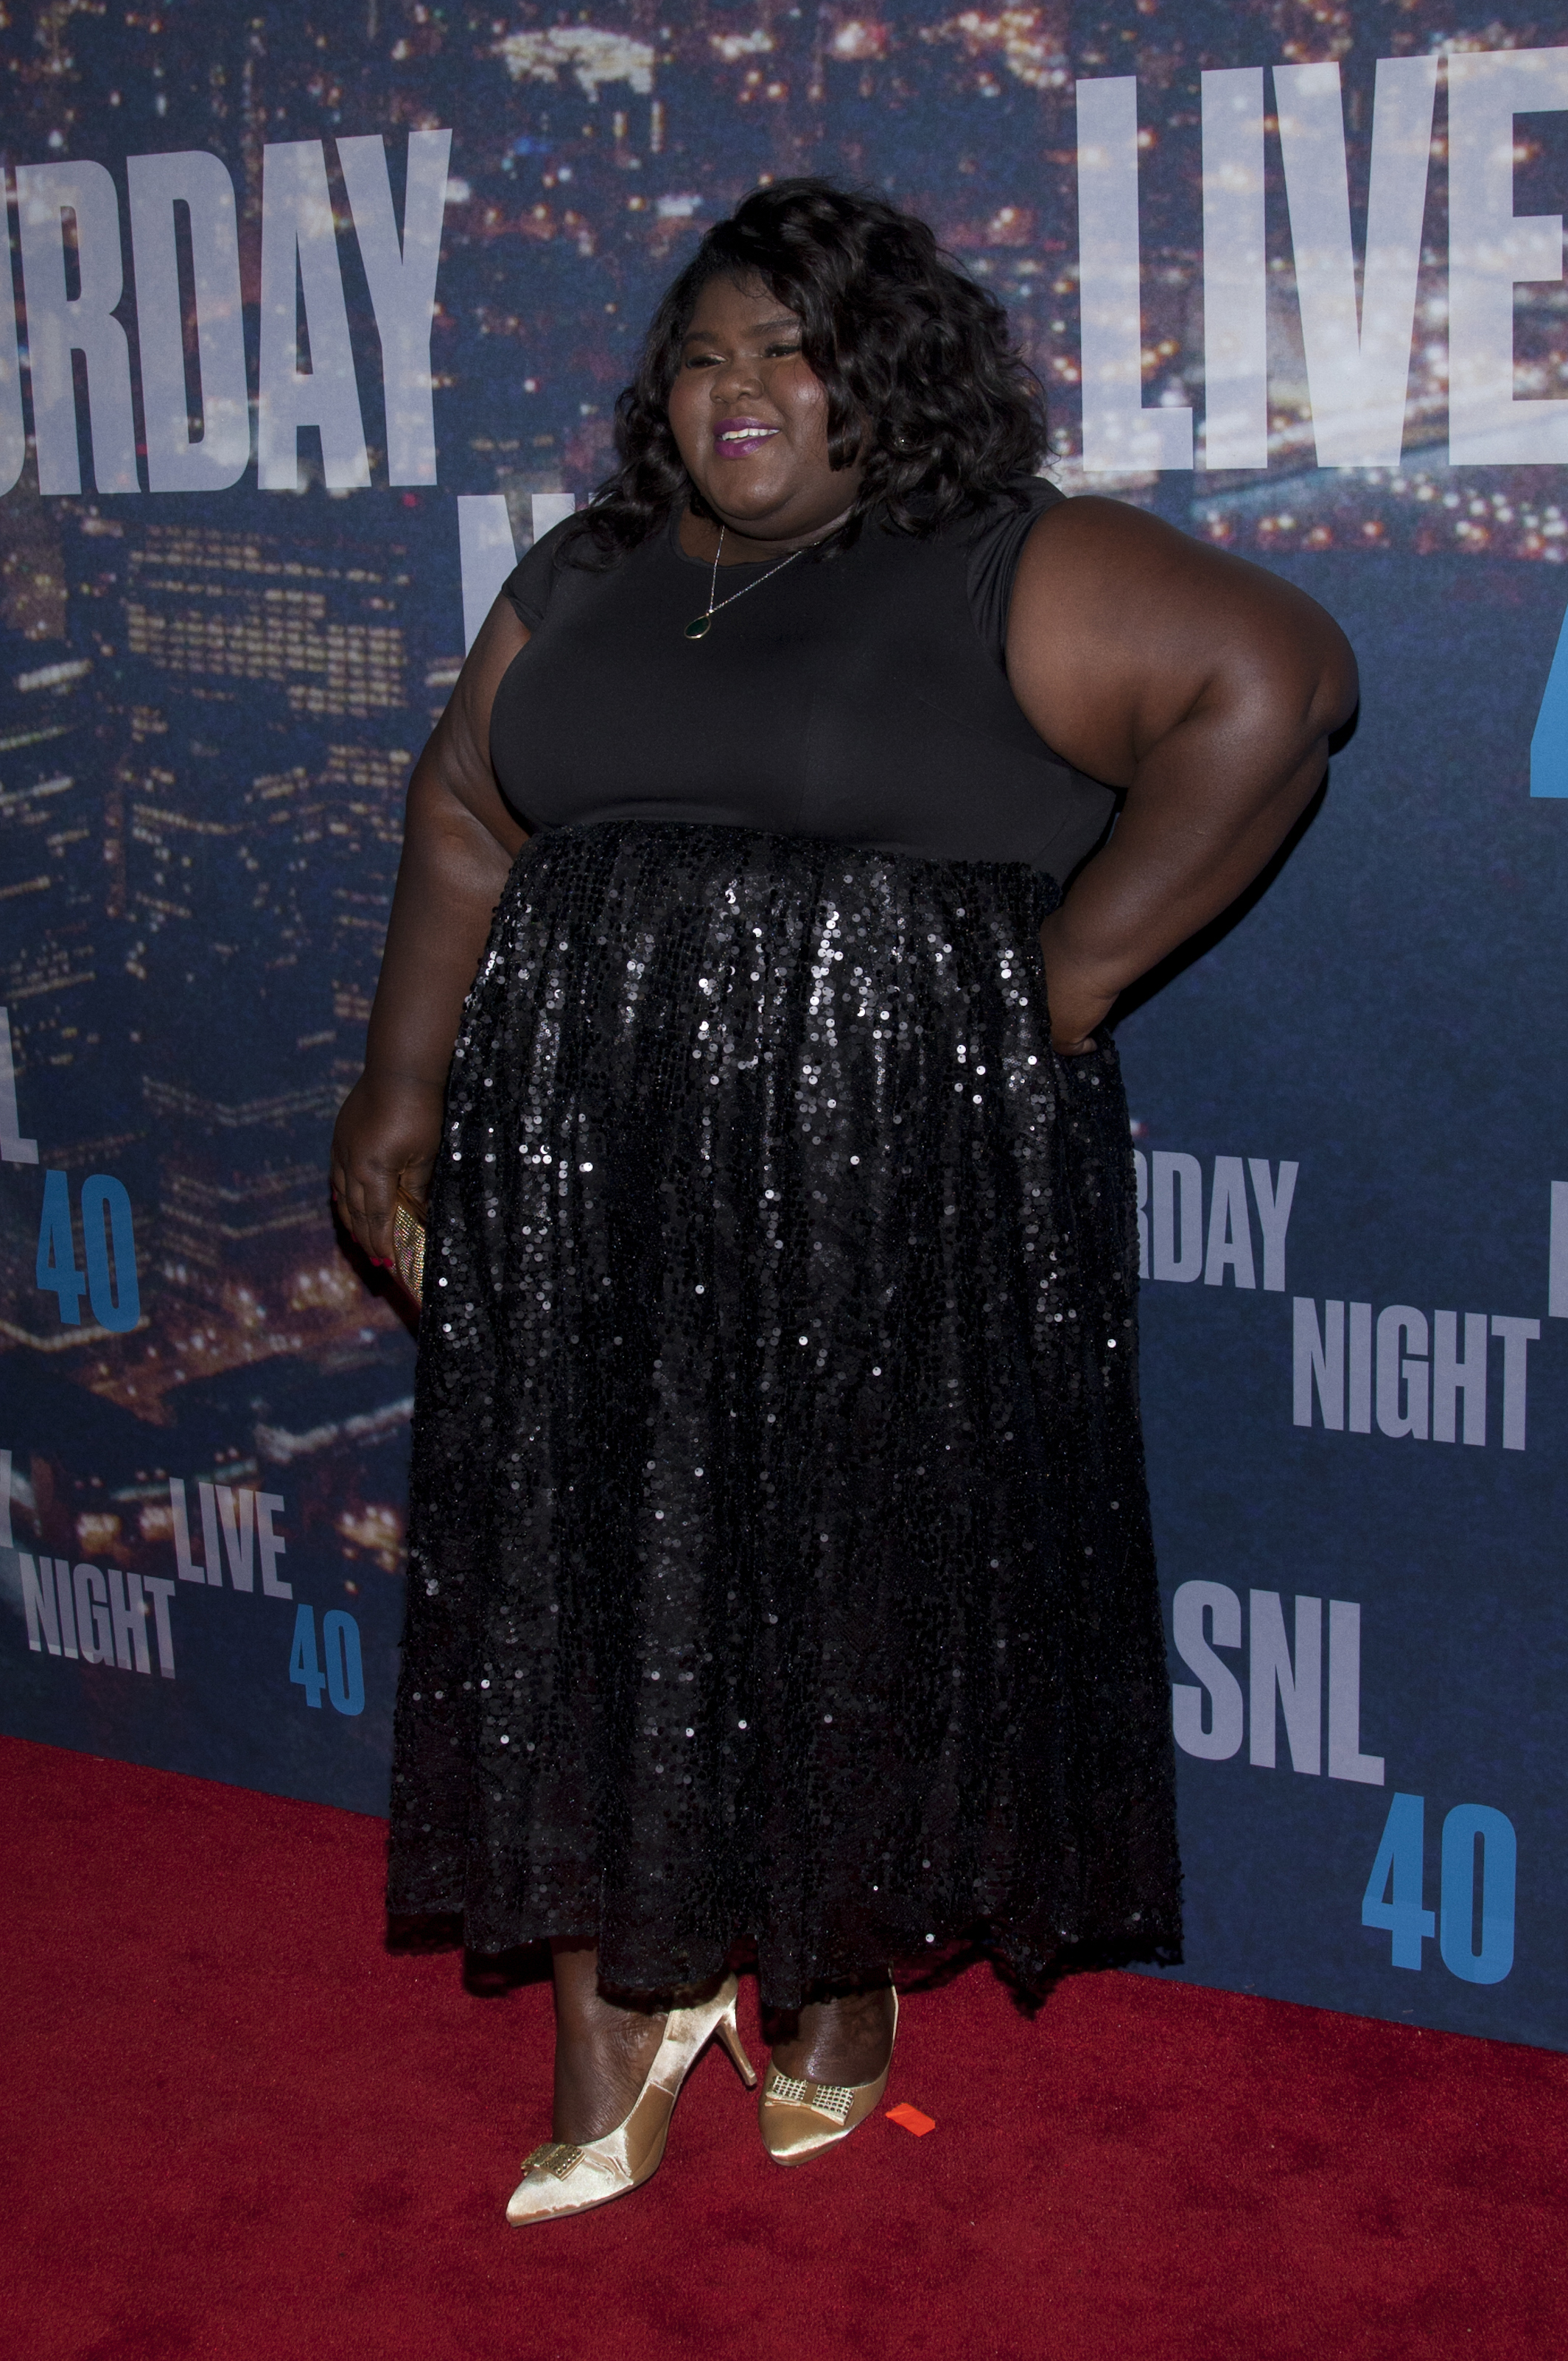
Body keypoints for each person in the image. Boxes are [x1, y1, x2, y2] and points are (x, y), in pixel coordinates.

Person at [331, 178, 1357, 2225]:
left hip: (884, 1169)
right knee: (583, 1548)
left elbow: (1282, 686)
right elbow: (465, 803)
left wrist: (1063, 978)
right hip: (586, 1151)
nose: (741, 388)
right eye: (704, 351)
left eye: (790, 348)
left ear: (884, 373)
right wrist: (402, 1079)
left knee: (854, 1551)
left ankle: (830, 1982)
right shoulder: (596, 569)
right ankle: (613, 2010)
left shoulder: (1003, 563)